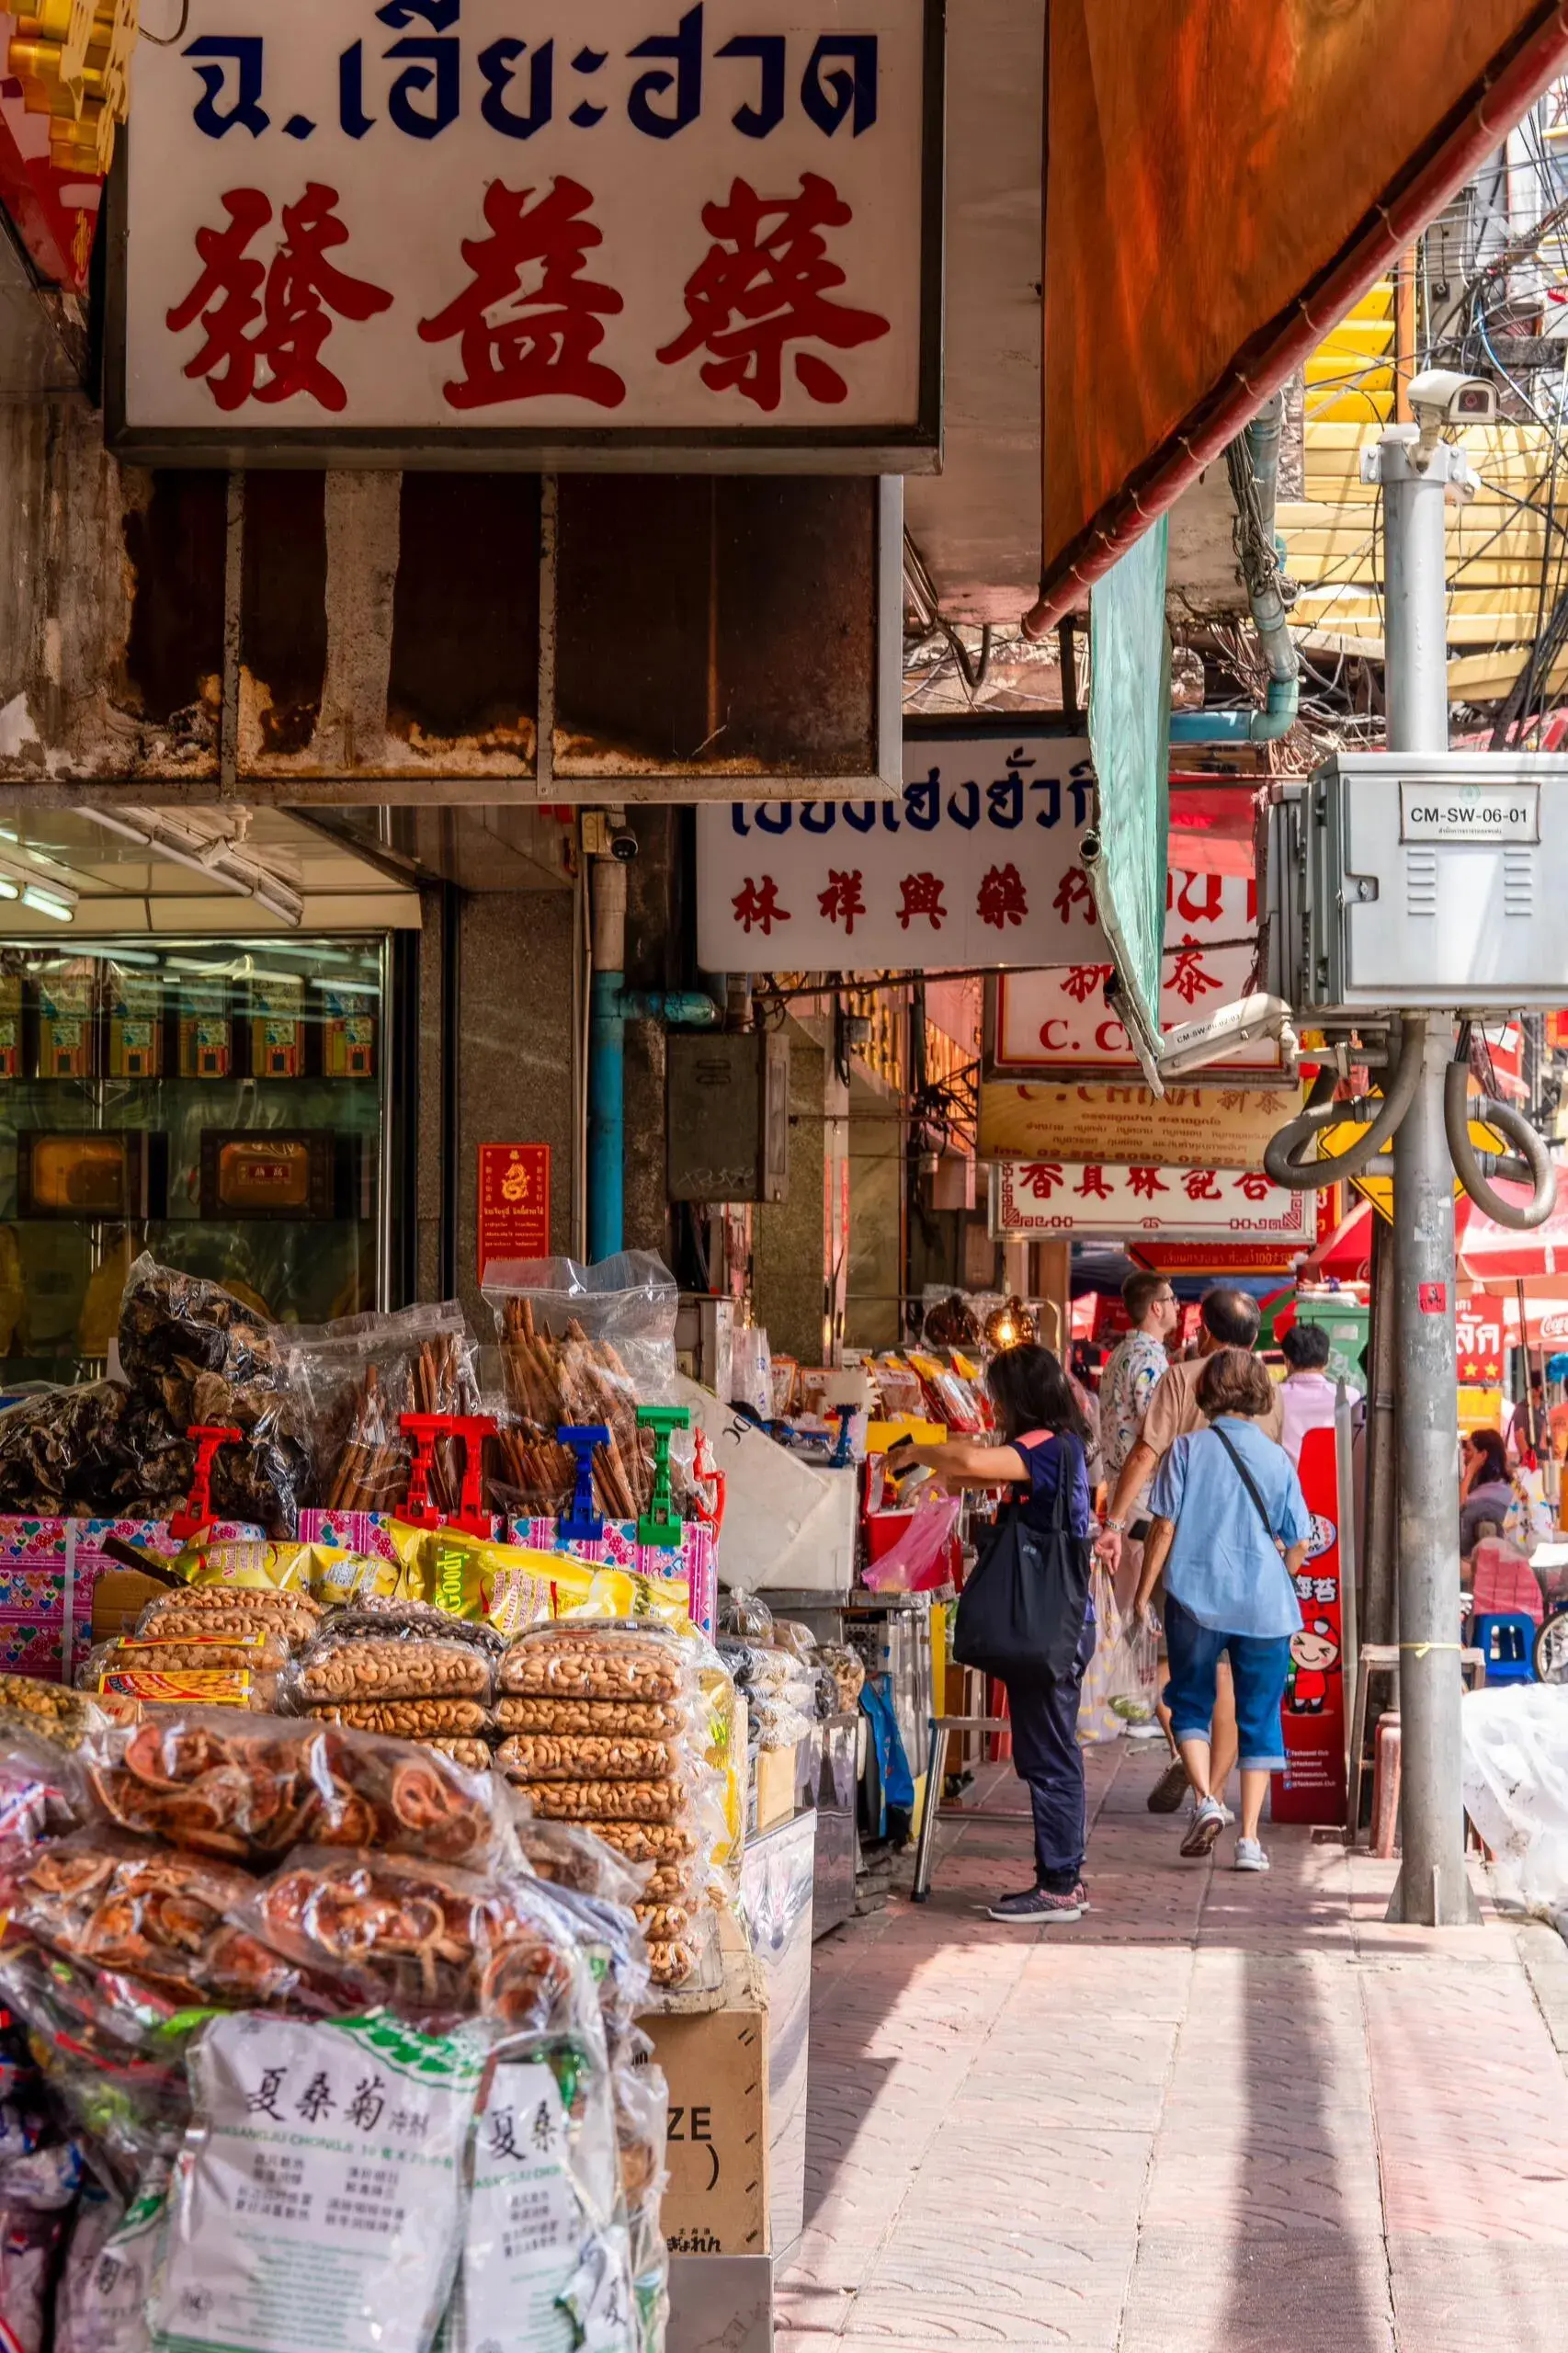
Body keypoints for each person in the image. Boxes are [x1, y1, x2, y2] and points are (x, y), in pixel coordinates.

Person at [887, 1344, 1096, 1926]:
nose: (994, 1406)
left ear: (1020, 1398)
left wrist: (914, 1450)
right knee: (1049, 1753)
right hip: (1061, 1623)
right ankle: (1062, 1878)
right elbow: (978, 1460)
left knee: (1051, 1756)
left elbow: (979, 1463)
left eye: (1000, 1396)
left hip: (1055, 1624)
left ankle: (1060, 1885)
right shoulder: (1053, 1445)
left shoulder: (1051, 1447)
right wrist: (937, 1475)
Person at [1096, 1287, 1285, 1842]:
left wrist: (1112, 1522)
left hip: (1177, 1545)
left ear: (1206, 1327)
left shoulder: (1183, 1378)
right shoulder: (1267, 1392)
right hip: (1249, 1557)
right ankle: (1220, 1798)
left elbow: (1144, 1454)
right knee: (1231, 1679)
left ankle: (1204, 1790)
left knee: (1183, 1670)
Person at [1131, 1349, 1311, 1873]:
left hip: (1194, 1598)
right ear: (1260, 1394)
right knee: (1259, 1717)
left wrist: (1144, 1595)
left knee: (1190, 1702)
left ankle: (1207, 1798)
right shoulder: (1279, 1459)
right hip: (1266, 1610)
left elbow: (1162, 1527)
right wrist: (1277, 1575)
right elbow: (1297, 1545)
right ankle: (1251, 1840)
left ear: (1206, 1392)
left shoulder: (1185, 1450)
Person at [1098, 1271, 1180, 1613]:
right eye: (1171, 1300)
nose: (1177, 1306)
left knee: (1127, 1603)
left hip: (1125, 1491)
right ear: (1156, 1309)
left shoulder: (1122, 1352)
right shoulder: (1149, 1359)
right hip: (1142, 1493)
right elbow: (1156, 1435)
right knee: (1138, 1609)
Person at [1278, 1321, 1360, 1467]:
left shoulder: (1273, 1398)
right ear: (1327, 1360)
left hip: (1288, 1487)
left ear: (1287, 1361)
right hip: (1338, 1487)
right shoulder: (1350, 1397)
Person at [1460, 1427, 1517, 1554]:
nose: (1464, 1454)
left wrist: (1469, 1472)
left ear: (1483, 1456)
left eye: (1469, 1450)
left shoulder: (1477, 1501)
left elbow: (1456, 1520)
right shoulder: (1509, 1490)